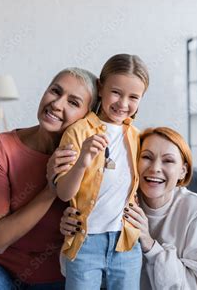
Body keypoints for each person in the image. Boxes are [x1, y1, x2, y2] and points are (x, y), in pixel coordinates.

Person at [0, 67, 98, 290]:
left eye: (73, 102)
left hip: (60, 275)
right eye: (55, 91)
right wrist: (51, 189)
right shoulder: (1, 146)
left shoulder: (92, 160)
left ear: (89, 117)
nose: (57, 104)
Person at [60, 127, 197, 289]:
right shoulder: (117, 200)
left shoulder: (195, 211)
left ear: (183, 171)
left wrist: (150, 245)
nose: (155, 168)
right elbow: (81, 272)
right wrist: (77, 228)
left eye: (168, 161)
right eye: (146, 157)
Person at [54, 54, 150, 289]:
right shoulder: (78, 132)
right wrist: (83, 160)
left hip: (126, 243)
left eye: (133, 97)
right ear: (100, 87)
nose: (123, 103)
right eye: (116, 92)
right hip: (86, 243)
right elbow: (64, 194)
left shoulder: (137, 137)